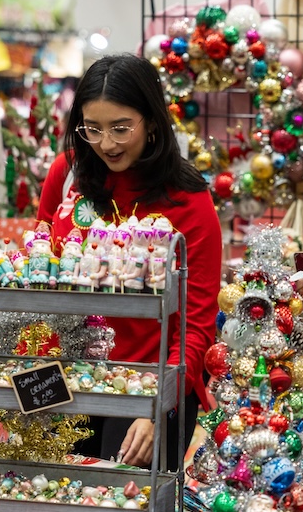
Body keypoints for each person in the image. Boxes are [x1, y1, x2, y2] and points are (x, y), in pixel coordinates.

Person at [37, 54, 222, 469]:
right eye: (93, 129)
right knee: (51, 509)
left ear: (152, 121)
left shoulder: (187, 201)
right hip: (64, 380)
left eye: (121, 128)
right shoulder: (66, 175)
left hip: (147, 389)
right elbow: (40, 273)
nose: (106, 143)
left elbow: (196, 323)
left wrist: (160, 403)